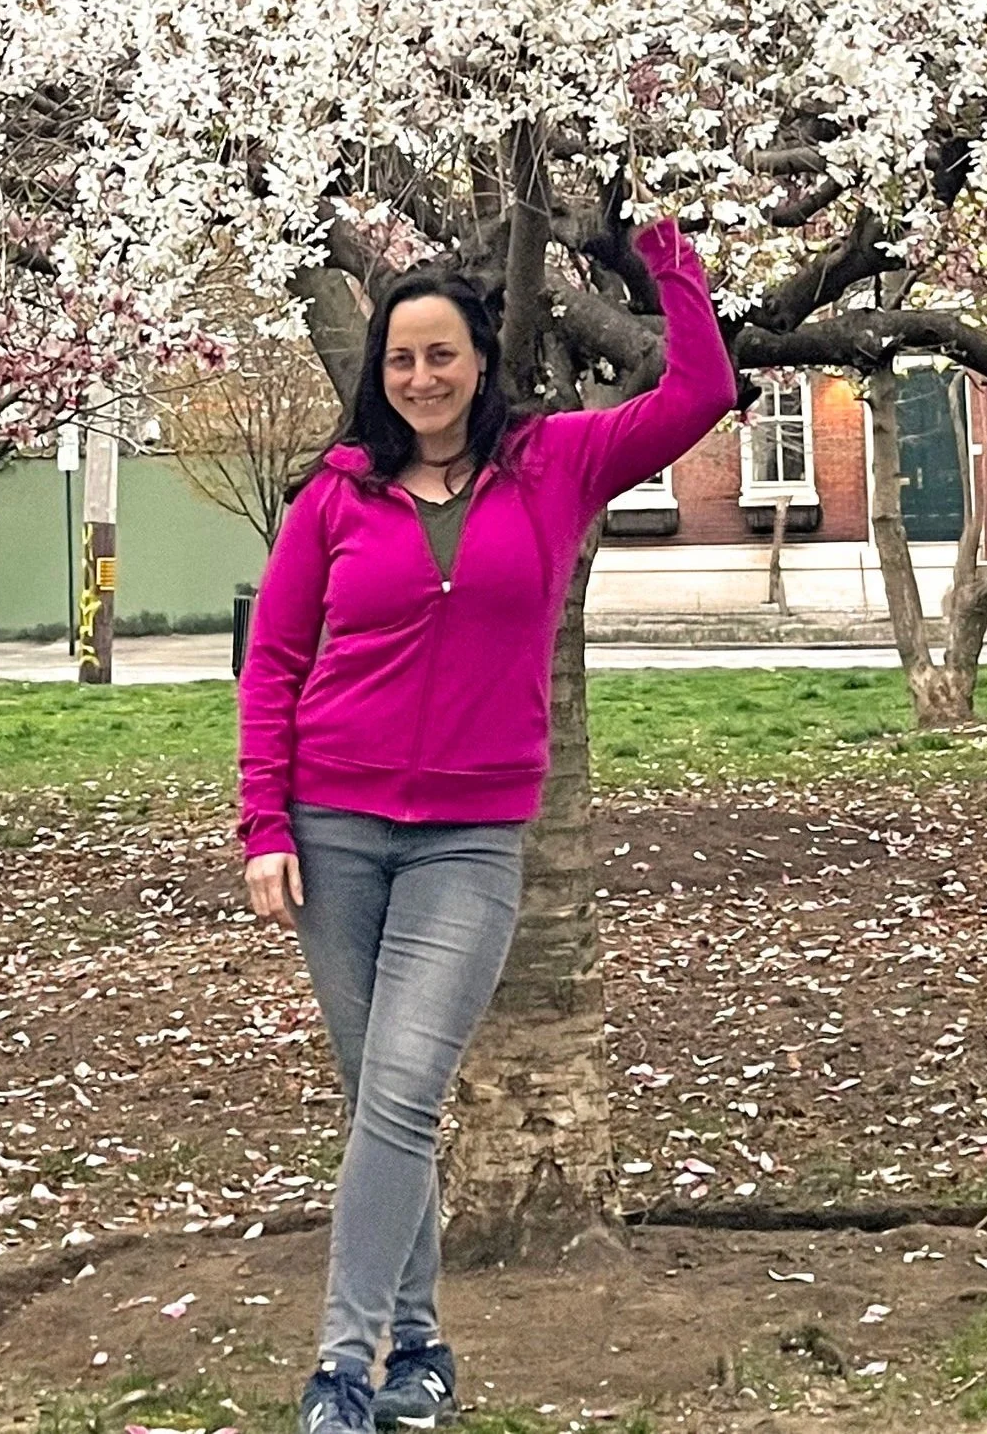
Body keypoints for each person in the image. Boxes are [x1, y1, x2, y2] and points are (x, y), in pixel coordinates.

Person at [237, 218, 732, 1434]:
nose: (420, 378)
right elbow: (275, 660)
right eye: (400, 359)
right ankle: (420, 1349)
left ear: (478, 361)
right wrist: (264, 824)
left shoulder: (557, 465)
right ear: (378, 374)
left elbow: (703, 390)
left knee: (403, 1090)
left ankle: (341, 1371)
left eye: (441, 355)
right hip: (335, 827)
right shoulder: (335, 499)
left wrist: (657, 248)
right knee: (380, 1105)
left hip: (470, 839)